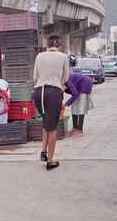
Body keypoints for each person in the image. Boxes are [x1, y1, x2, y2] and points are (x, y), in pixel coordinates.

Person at [33, 35, 69, 170]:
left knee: (46, 122)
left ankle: (43, 150)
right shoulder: (63, 56)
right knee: (53, 127)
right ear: (59, 45)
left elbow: (35, 77)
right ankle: (51, 160)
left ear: (48, 45)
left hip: (38, 92)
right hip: (53, 92)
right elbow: (65, 78)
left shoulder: (39, 56)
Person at [64, 73, 94, 137]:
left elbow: (75, 94)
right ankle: (75, 128)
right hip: (77, 87)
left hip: (85, 85)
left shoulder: (66, 81)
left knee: (81, 107)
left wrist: (66, 104)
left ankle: (80, 130)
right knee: (74, 107)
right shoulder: (60, 83)